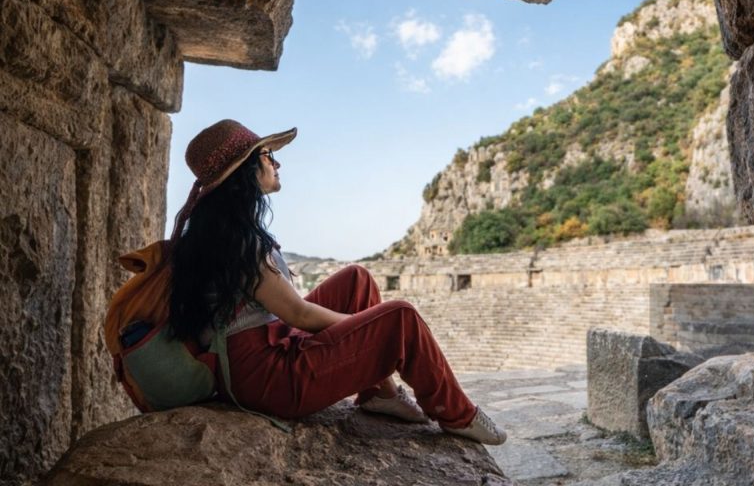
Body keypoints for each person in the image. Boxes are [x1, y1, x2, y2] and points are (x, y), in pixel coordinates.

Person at [166, 119, 506, 445]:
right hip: (266, 379)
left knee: (355, 279)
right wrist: (365, 330)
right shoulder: (239, 241)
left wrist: (360, 330)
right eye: (268, 156)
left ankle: (380, 394)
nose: (277, 163)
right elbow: (299, 316)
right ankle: (457, 414)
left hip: (253, 360)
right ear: (245, 171)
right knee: (400, 319)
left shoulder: (219, 231)